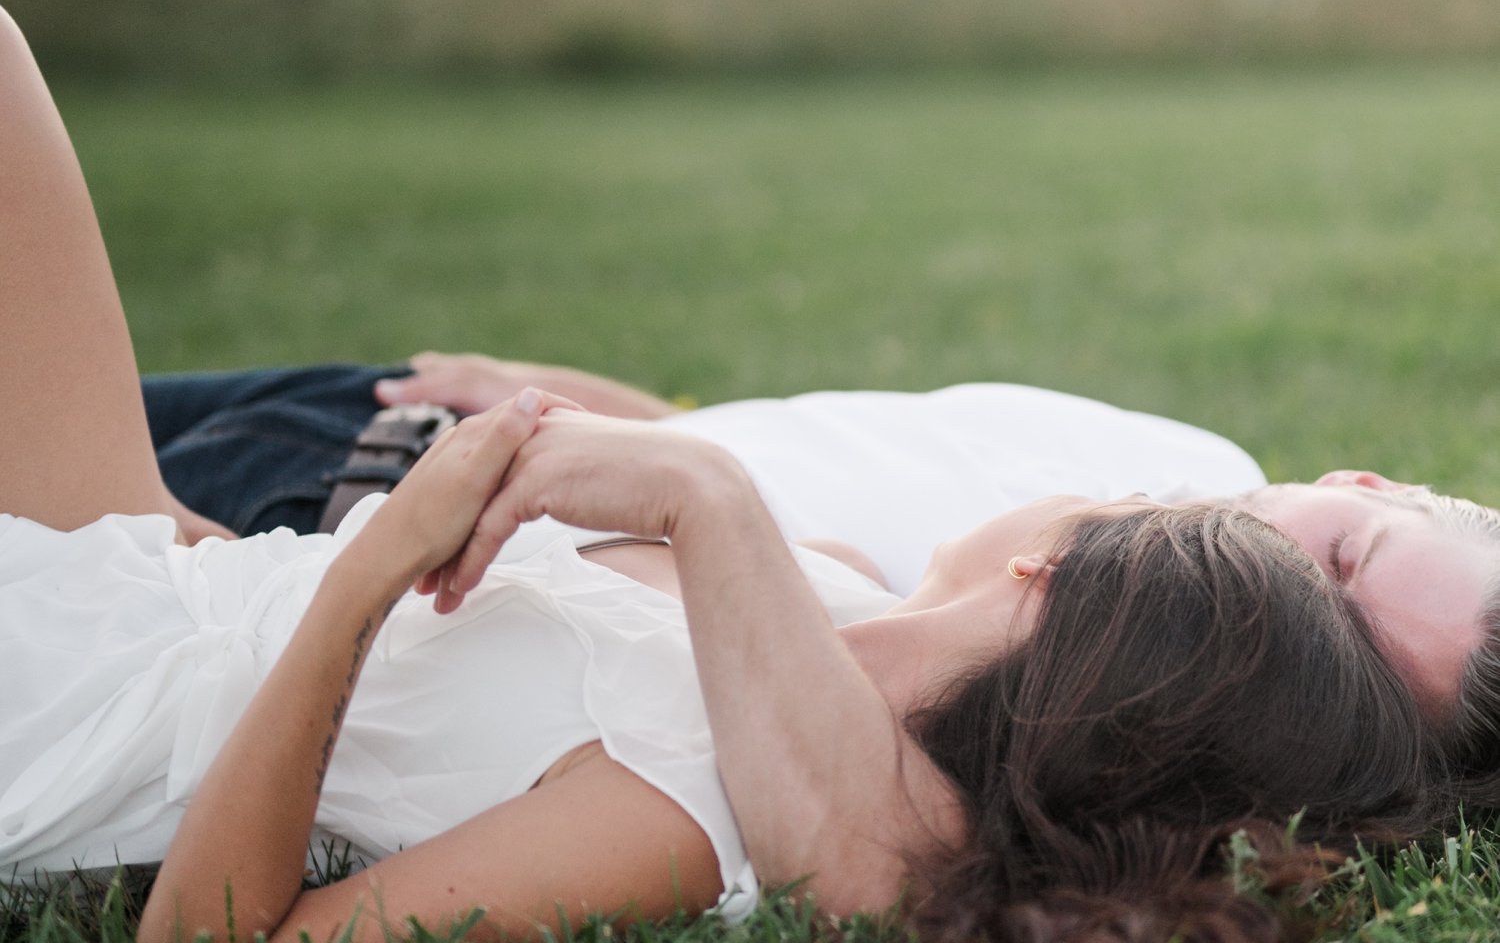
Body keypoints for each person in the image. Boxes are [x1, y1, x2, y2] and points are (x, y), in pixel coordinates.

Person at [0, 6, 1436, 943]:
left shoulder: (686, 798)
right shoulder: (810, 616)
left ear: (1050, 572)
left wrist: (371, 576)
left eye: (1126, 506)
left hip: (70, 679)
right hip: (149, 558)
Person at [149, 348, 1500, 794]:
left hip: (320, 535)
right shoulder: (1169, 453)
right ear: (1371, 483)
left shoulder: (1074, 655)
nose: (1285, 590)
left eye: (1344, 659)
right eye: (1348, 553)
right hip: (408, 414)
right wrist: (575, 398)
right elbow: (824, 445)